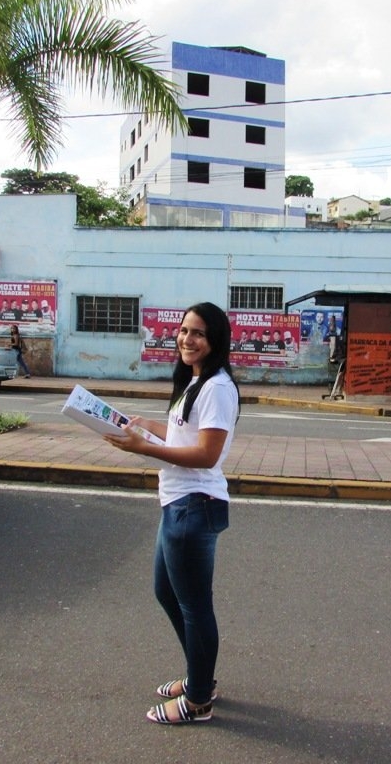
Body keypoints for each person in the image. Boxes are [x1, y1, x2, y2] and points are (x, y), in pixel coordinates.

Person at [104, 302, 240, 725]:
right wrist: (149, 426)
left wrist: (144, 448)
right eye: (183, 330)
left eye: (198, 333)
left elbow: (206, 454)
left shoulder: (217, 388)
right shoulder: (196, 381)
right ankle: (199, 677)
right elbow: (187, 435)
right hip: (178, 504)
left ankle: (199, 699)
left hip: (194, 506)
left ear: (215, 339)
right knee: (167, 593)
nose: (187, 339)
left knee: (195, 607)